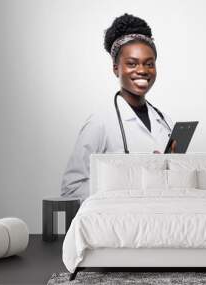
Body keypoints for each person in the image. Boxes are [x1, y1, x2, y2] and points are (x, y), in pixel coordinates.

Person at [61, 13, 175, 201]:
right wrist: (123, 186)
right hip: (120, 221)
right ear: (116, 68)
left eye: (149, 64)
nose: (142, 70)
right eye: (132, 63)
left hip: (161, 218)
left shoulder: (165, 122)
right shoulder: (100, 123)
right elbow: (71, 189)